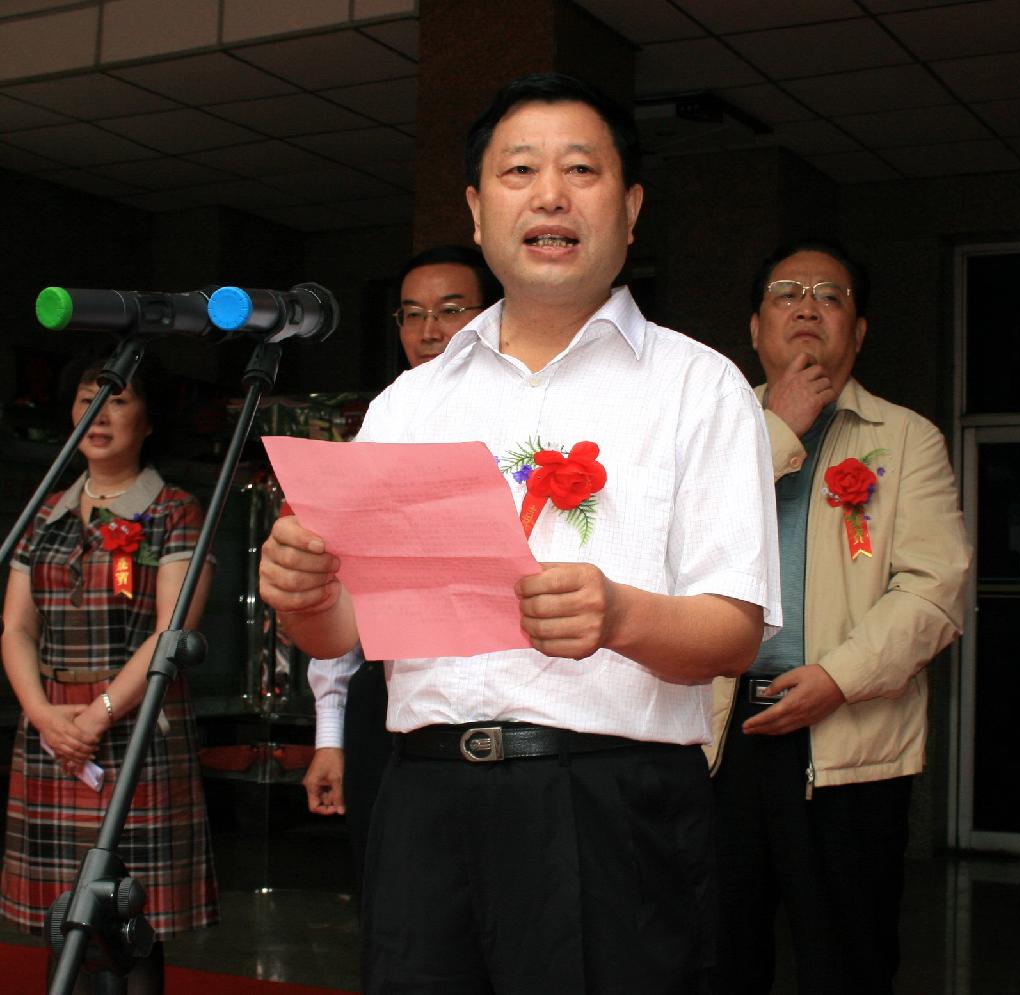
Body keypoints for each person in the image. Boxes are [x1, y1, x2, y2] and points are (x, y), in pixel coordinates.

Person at [260, 73, 782, 994]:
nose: (550, 195)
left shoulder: (699, 387)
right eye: (519, 171)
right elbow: (346, 627)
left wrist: (620, 615)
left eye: (581, 170)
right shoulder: (407, 404)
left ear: (630, 209)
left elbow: (734, 631)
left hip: (610, 801)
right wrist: (303, 596)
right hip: (423, 798)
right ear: (476, 209)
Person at [707, 239, 971, 995]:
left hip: (847, 737)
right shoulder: (711, 430)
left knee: (847, 959)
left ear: (858, 331)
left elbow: (935, 587)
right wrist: (777, 426)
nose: (807, 306)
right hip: (719, 733)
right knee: (717, 956)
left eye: (830, 295)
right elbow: (680, 545)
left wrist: (838, 677)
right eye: (786, 292)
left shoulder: (906, 438)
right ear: (755, 327)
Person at [1, 353, 219, 993]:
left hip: (136, 724)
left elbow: (170, 632)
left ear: (148, 419)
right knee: (59, 917)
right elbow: (15, 628)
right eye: (86, 400)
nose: (97, 415)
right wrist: (42, 716)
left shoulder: (174, 509)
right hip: (52, 731)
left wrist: (96, 716)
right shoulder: (45, 509)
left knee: (131, 919)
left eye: (117, 400)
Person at [304, 245, 501, 895]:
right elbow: (346, 576)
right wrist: (330, 733)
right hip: (389, 689)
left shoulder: (525, 414)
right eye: (412, 314)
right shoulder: (387, 416)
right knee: (392, 893)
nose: (429, 330)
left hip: (506, 700)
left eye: (451, 310)